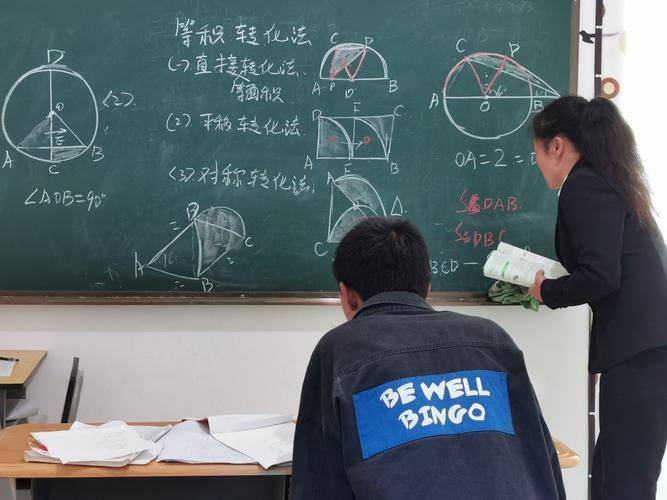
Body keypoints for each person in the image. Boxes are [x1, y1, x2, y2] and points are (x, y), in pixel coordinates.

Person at [291, 217, 565, 500]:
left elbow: (317, 481)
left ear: (346, 295)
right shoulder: (493, 340)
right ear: (427, 289)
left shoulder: (340, 349)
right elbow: (542, 461)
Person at [528, 95, 667, 500]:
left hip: (644, 353)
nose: (536, 163)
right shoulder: (610, 181)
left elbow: (600, 275)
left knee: (625, 481)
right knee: (613, 475)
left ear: (556, 146)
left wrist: (547, 290)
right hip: (647, 350)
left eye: (536, 152)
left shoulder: (585, 185)